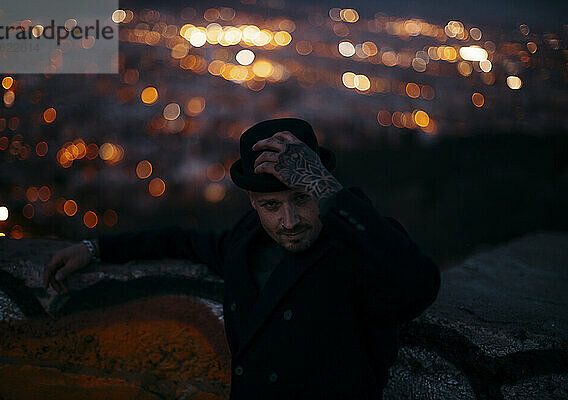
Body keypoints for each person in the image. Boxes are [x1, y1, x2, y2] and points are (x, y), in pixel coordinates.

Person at [44, 118, 441, 399]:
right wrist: (95, 249)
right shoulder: (243, 241)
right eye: (271, 205)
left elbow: (416, 285)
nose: (289, 222)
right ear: (252, 202)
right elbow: (181, 242)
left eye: (302, 199)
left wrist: (322, 184)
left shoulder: (359, 248)